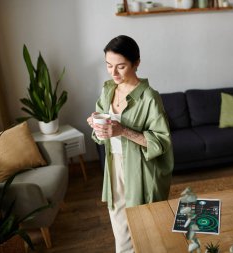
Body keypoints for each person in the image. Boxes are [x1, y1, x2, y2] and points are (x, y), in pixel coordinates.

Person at [87, 35, 174, 253]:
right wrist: (96, 124)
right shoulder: (108, 90)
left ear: (136, 63)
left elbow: (161, 142)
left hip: (141, 170)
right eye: (108, 65)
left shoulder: (150, 98)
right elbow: (101, 135)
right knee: (119, 224)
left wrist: (123, 130)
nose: (113, 73)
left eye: (121, 66)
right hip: (114, 165)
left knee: (146, 228)